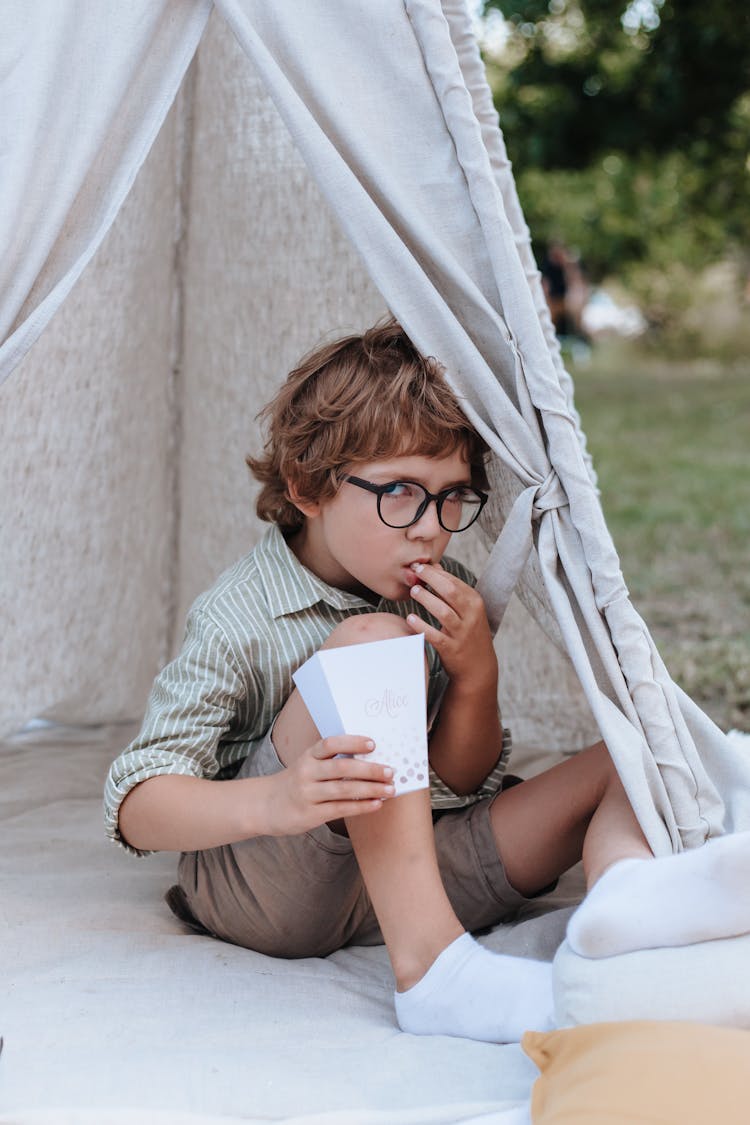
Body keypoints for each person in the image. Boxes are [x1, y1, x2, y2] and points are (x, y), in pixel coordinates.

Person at [104, 319, 750, 1043]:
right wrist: (278, 798)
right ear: (308, 487)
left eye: (451, 498)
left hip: (411, 873)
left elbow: (459, 774)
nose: (430, 529)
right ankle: (434, 970)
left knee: (628, 758)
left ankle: (622, 911)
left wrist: (476, 674)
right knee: (371, 643)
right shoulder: (239, 614)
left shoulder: (444, 591)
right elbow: (137, 800)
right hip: (269, 887)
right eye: (402, 493)